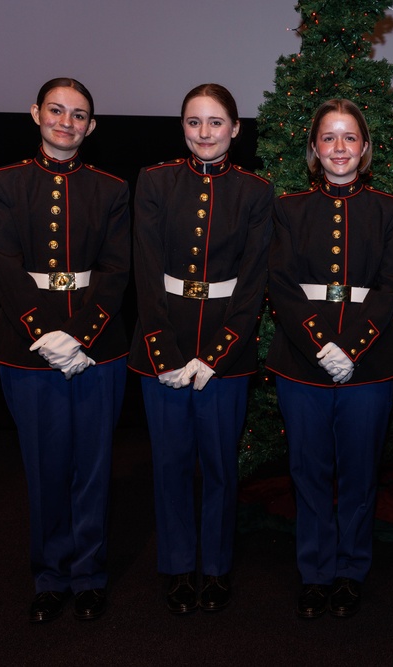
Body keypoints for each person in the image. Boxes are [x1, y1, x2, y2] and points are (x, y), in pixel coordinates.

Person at [0, 77, 130, 623]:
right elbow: (3, 265)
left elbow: (116, 271)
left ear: (91, 126)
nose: (66, 121)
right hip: (26, 349)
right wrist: (44, 334)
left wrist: (81, 335)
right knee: (45, 467)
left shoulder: (111, 189)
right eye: (56, 110)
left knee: (92, 467)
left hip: (98, 349)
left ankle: (89, 574)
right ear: (35, 114)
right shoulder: (2, 182)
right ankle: (49, 575)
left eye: (79, 114)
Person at [128, 84, 273, 614]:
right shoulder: (155, 181)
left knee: (218, 467)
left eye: (216, 123)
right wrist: (165, 352)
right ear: (182, 127)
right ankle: (175, 565)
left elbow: (253, 283)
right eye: (194, 122)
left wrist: (215, 354)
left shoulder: (256, 191)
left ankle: (214, 566)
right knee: (169, 466)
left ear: (235, 128)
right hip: (160, 344)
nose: (204, 133)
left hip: (225, 354)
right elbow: (145, 272)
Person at [266, 99, 393, 619]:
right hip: (301, 361)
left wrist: (352, 346)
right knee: (308, 472)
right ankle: (315, 570)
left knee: (359, 474)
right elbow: (279, 282)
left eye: (350, 138)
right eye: (329, 138)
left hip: (369, 364)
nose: (339, 148)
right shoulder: (288, 208)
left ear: (365, 148)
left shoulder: (391, 210)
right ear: (313, 149)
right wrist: (321, 342)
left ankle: (350, 569)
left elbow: (391, 284)